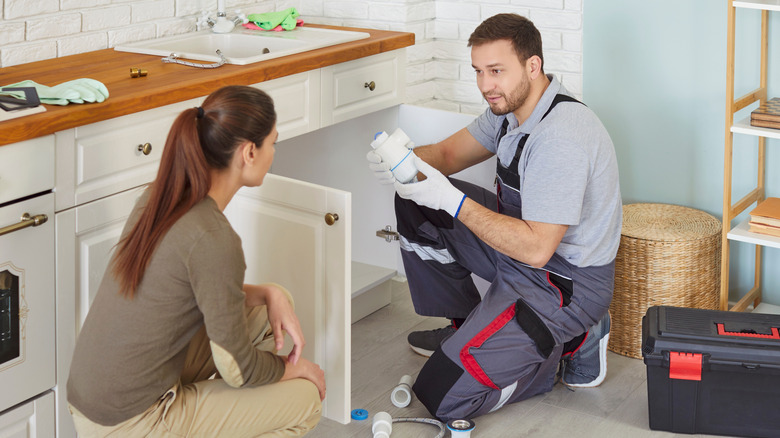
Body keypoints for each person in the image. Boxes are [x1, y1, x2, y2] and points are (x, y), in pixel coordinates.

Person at [367, 13, 621, 421]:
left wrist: (452, 200)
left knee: (441, 396)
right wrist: (403, 163)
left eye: (497, 70)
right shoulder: (509, 109)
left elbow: (537, 250)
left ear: (533, 66)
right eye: (479, 71)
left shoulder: (561, 137)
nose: (486, 85)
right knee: (416, 202)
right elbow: (448, 154)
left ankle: (570, 345)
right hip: (518, 252)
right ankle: (466, 325)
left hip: (562, 283)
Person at [67, 85, 325, 437]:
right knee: (306, 399)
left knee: (269, 310)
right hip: (128, 422)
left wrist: (269, 293)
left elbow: (199, 288)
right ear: (249, 152)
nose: (274, 153)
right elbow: (238, 369)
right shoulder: (213, 238)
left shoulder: (161, 195)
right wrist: (294, 369)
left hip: (96, 394)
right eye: (273, 143)